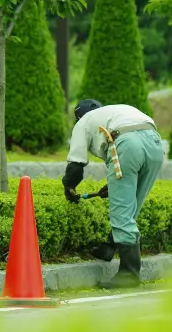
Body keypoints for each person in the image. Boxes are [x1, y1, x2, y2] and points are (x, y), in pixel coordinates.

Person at [62, 99, 165, 289]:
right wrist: (115, 185)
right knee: (132, 204)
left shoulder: (83, 123)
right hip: (155, 143)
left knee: (121, 212)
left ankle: (129, 273)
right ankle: (108, 248)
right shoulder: (116, 111)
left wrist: (69, 188)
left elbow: (75, 166)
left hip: (126, 144)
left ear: (78, 117)